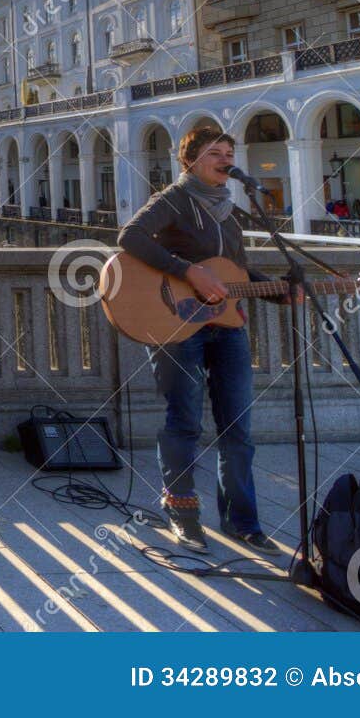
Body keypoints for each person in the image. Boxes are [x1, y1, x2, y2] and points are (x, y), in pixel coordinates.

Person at [118, 126, 295, 556]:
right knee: (185, 422)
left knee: (238, 427)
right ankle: (184, 515)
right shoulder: (173, 200)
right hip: (176, 324)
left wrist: (278, 290)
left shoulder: (231, 213)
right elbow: (130, 238)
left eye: (230, 152)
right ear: (191, 161)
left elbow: (234, 275)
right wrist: (187, 271)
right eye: (215, 152)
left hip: (227, 327)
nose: (226, 159)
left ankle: (242, 522)